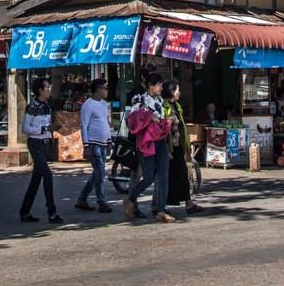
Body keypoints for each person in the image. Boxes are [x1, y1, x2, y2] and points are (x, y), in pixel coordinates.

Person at [124, 72, 174, 223]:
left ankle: (160, 210)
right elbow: (132, 119)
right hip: (146, 143)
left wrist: (168, 121)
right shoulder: (139, 99)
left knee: (164, 177)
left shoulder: (160, 100)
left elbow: (161, 119)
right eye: (158, 85)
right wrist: (148, 116)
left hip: (160, 141)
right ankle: (131, 199)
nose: (160, 87)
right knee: (148, 178)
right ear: (151, 86)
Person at [19, 77, 63, 224]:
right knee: (47, 175)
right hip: (35, 144)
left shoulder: (47, 106)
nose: (50, 89)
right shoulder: (32, 107)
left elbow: (48, 125)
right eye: (47, 87)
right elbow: (25, 128)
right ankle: (52, 211)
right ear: (40, 90)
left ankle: (25, 212)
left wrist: (52, 129)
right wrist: (45, 129)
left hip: (45, 144)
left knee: (36, 180)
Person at [161, 80, 202, 215]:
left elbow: (181, 127)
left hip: (178, 145)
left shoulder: (177, 106)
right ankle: (159, 206)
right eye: (178, 89)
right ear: (172, 91)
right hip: (168, 147)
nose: (180, 92)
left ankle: (188, 203)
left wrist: (187, 147)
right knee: (166, 177)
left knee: (183, 174)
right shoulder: (163, 106)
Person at [75, 78, 113, 213]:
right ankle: (101, 201)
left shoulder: (104, 104)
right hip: (93, 143)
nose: (107, 90)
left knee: (97, 173)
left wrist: (109, 141)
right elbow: (83, 125)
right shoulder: (88, 105)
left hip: (102, 143)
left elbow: (106, 123)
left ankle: (82, 198)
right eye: (105, 88)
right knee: (100, 173)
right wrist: (85, 145)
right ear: (98, 89)